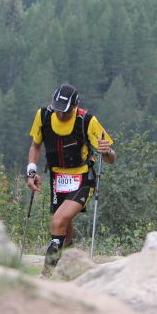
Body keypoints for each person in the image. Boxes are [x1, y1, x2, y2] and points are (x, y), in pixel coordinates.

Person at [26, 84, 115, 277]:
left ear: (76, 105)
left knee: (58, 221)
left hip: (82, 179)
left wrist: (106, 151)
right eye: (57, 109)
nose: (60, 114)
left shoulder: (87, 121)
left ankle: (46, 275)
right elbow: (36, 145)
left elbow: (110, 159)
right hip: (57, 178)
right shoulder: (43, 115)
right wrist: (31, 171)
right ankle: (72, 267)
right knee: (64, 228)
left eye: (65, 111)